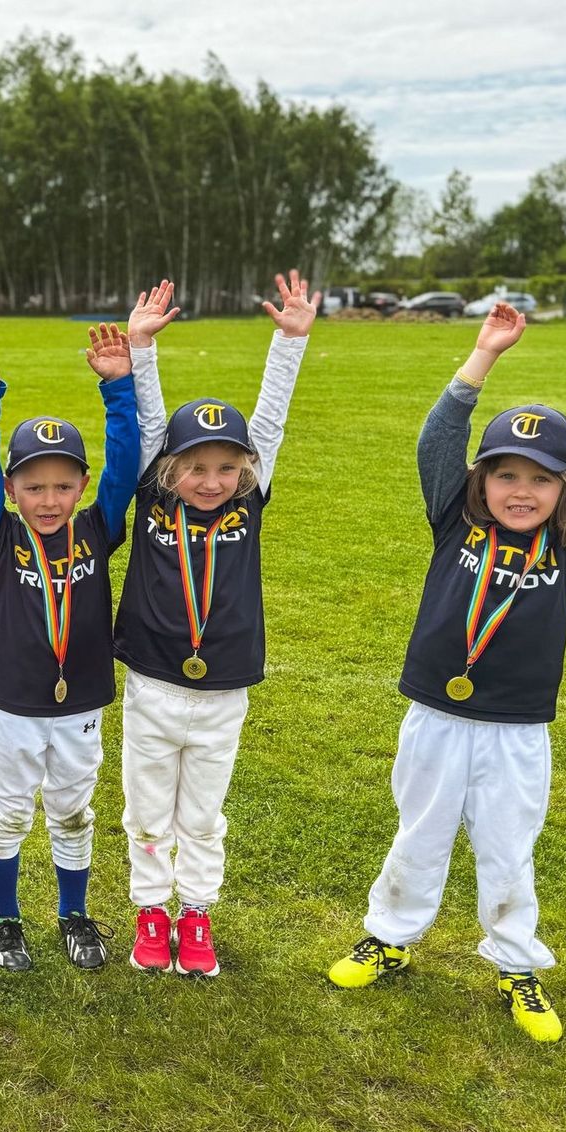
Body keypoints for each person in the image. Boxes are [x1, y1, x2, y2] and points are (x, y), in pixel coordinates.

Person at [327, 306, 566, 1044]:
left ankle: (514, 962)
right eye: (505, 474)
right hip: (437, 716)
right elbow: (437, 440)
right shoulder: (456, 520)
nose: (521, 490)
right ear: (481, 479)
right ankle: (389, 937)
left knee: (508, 848)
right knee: (420, 832)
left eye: (540, 478)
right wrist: (482, 356)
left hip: (516, 727)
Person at [114, 271, 318, 978]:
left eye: (226, 468)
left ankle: (195, 913)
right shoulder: (154, 498)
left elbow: (270, 423)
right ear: (169, 469)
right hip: (152, 684)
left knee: (202, 814)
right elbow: (150, 423)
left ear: (245, 471)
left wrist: (290, 343)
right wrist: (142, 349)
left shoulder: (248, 503)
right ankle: (150, 911)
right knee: (146, 811)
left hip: (225, 688)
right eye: (195, 467)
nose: (210, 481)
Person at [0, 320, 139, 971]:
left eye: (63, 485)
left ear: (83, 487)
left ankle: (73, 913)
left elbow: (126, 466)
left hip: (81, 702)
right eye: (33, 486)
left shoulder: (98, 528)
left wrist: (118, 390)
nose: (48, 499)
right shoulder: (1, 535)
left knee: (72, 811)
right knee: (7, 813)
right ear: (13, 491)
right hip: (14, 704)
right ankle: (2, 917)